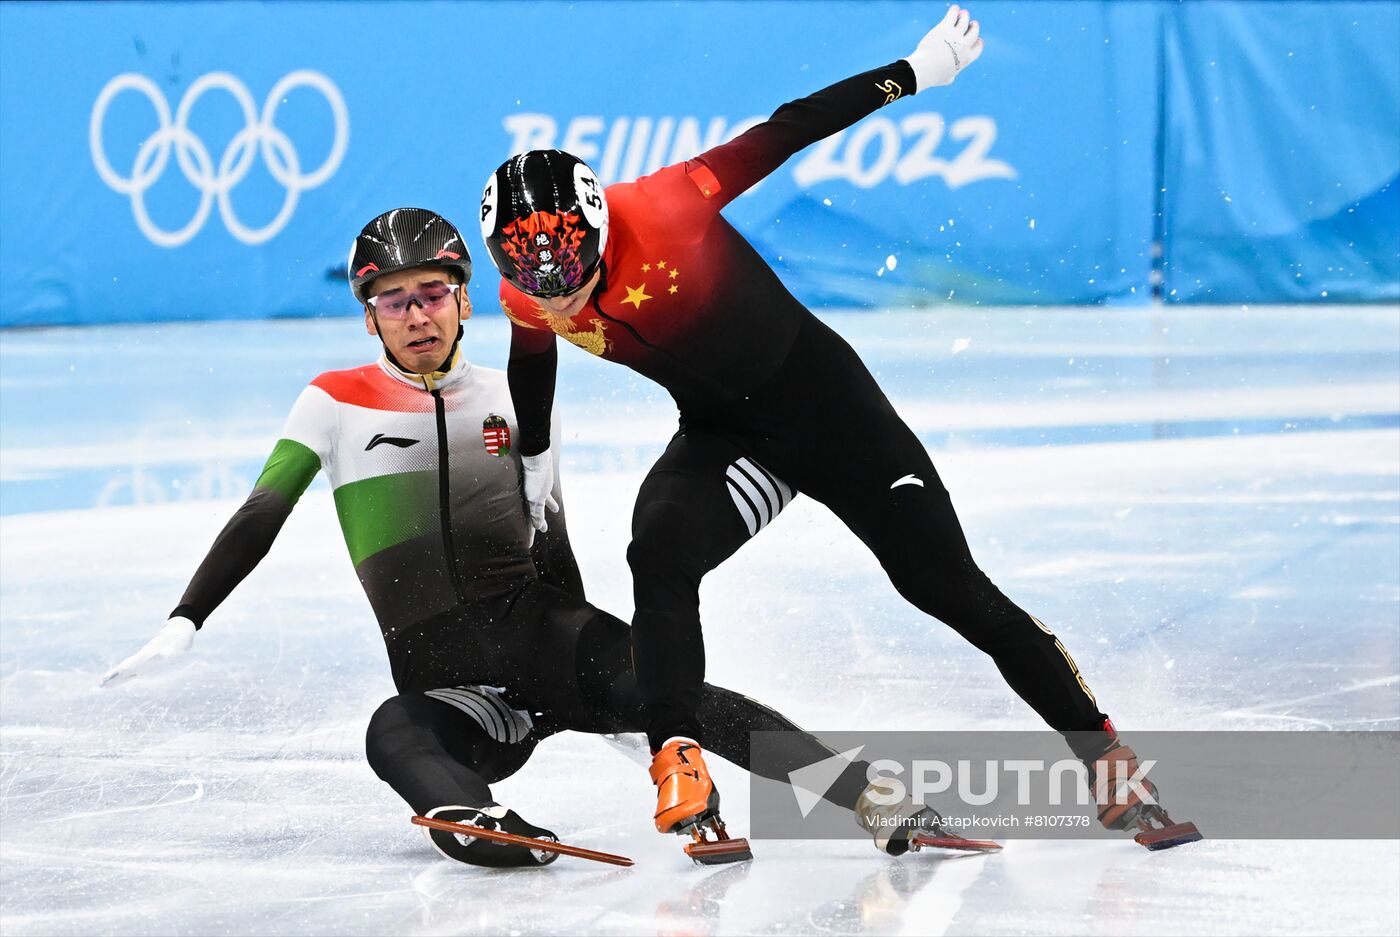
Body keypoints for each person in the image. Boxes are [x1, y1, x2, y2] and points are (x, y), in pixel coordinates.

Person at [482, 5, 1169, 846]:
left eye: (574, 275)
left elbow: (786, 131)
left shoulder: (666, 205)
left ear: (596, 231)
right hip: (727, 436)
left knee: (949, 590)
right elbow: (531, 363)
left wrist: (914, 73)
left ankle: (1103, 752)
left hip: (832, 415)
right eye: (537, 285)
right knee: (657, 548)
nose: (558, 298)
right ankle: (679, 760)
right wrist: (537, 458)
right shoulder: (528, 288)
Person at [100, 208, 925, 867]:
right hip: (462, 693)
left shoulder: (511, 397)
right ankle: (478, 818)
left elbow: (550, 534)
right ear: (369, 317)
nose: (416, 315)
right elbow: (259, 512)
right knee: (393, 729)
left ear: (464, 298)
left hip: (545, 633)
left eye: (432, 293)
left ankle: (858, 792)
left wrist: (609, 684)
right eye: (394, 299)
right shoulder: (333, 402)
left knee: (667, 686)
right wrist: (187, 616)